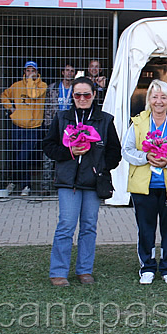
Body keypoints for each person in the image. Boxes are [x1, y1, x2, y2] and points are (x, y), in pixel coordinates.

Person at [43, 77, 121, 287]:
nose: (82, 98)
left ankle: (84, 271)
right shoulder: (62, 118)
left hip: (93, 183)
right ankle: (58, 272)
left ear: (94, 95)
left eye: (87, 94)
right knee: (66, 225)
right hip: (68, 182)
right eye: (77, 95)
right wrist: (69, 152)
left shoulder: (105, 120)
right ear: (72, 96)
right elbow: (49, 147)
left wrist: (101, 167)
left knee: (89, 227)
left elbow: (115, 152)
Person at [122, 80, 167, 284]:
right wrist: (145, 157)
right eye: (155, 96)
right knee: (145, 229)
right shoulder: (137, 123)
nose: (159, 101)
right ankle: (147, 267)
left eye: (163, 97)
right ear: (149, 100)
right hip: (144, 187)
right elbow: (126, 150)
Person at [0, 61, 48, 196]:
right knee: (16, 156)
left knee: (24, 157)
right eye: (28, 71)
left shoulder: (42, 86)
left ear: (37, 72)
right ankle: (16, 182)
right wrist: (10, 108)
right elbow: (4, 95)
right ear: (24, 72)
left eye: (33, 71)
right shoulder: (16, 86)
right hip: (17, 126)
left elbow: (32, 94)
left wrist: (31, 81)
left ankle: (25, 184)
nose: (30, 73)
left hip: (34, 127)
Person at [43, 63, 77, 193]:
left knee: (69, 155)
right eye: (67, 70)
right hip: (55, 125)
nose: (69, 73)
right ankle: (46, 187)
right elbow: (47, 106)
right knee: (49, 155)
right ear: (62, 72)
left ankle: (66, 184)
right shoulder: (53, 87)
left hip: (71, 127)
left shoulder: (76, 89)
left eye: (72, 71)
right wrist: (47, 124)